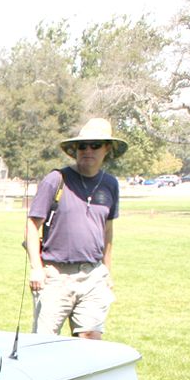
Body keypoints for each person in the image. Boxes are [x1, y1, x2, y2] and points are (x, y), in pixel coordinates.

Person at [26, 118, 125, 339]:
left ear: (107, 149)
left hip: (93, 276)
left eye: (95, 145)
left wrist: (107, 271)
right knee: (43, 345)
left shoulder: (111, 184)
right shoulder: (56, 179)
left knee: (90, 344)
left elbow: (107, 230)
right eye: (82, 146)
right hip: (56, 276)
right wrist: (36, 268)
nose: (88, 150)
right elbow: (33, 224)